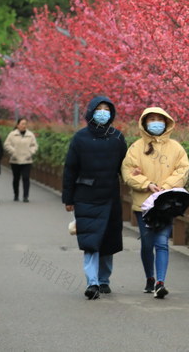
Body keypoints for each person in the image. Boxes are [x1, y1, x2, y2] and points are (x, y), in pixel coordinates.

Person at [61, 96, 127, 300]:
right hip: (86, 196)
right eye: (99, 108)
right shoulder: (80, 138)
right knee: (91, 240)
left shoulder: (117, 137)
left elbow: (125, 167)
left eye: (107, 109)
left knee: (108, 240)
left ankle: (104, 280)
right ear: (91, 111)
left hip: (110, 196)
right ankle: (92, 282)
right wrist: (68, 199)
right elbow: (70, 169)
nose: (103, 112)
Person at [122, 106, 189, 299]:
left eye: (159, 119)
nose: (155, 123)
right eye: (151, 119)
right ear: (144, 123)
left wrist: (166, 187)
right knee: (147, 243)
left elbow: (182, 170)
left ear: (166, 122)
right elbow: (128, 173)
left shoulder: (176, 148)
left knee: (161, 243)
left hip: (166, 204)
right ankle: (149, 278)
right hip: (143, 204)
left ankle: (160, 282)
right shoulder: (136, 148)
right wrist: (147, 184)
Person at [4, 117, 39, 202]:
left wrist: (30, 152)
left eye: (25, 124)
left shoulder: (30, 135)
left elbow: (35, 145)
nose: (24, 125)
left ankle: (25, 196)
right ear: (18, 125)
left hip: (27, 160)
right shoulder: (12, 134)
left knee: (26, 178)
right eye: (22, 124)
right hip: (15, 160)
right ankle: (16, 194)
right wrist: (13, 152)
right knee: (16, 178)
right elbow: (7, 144)